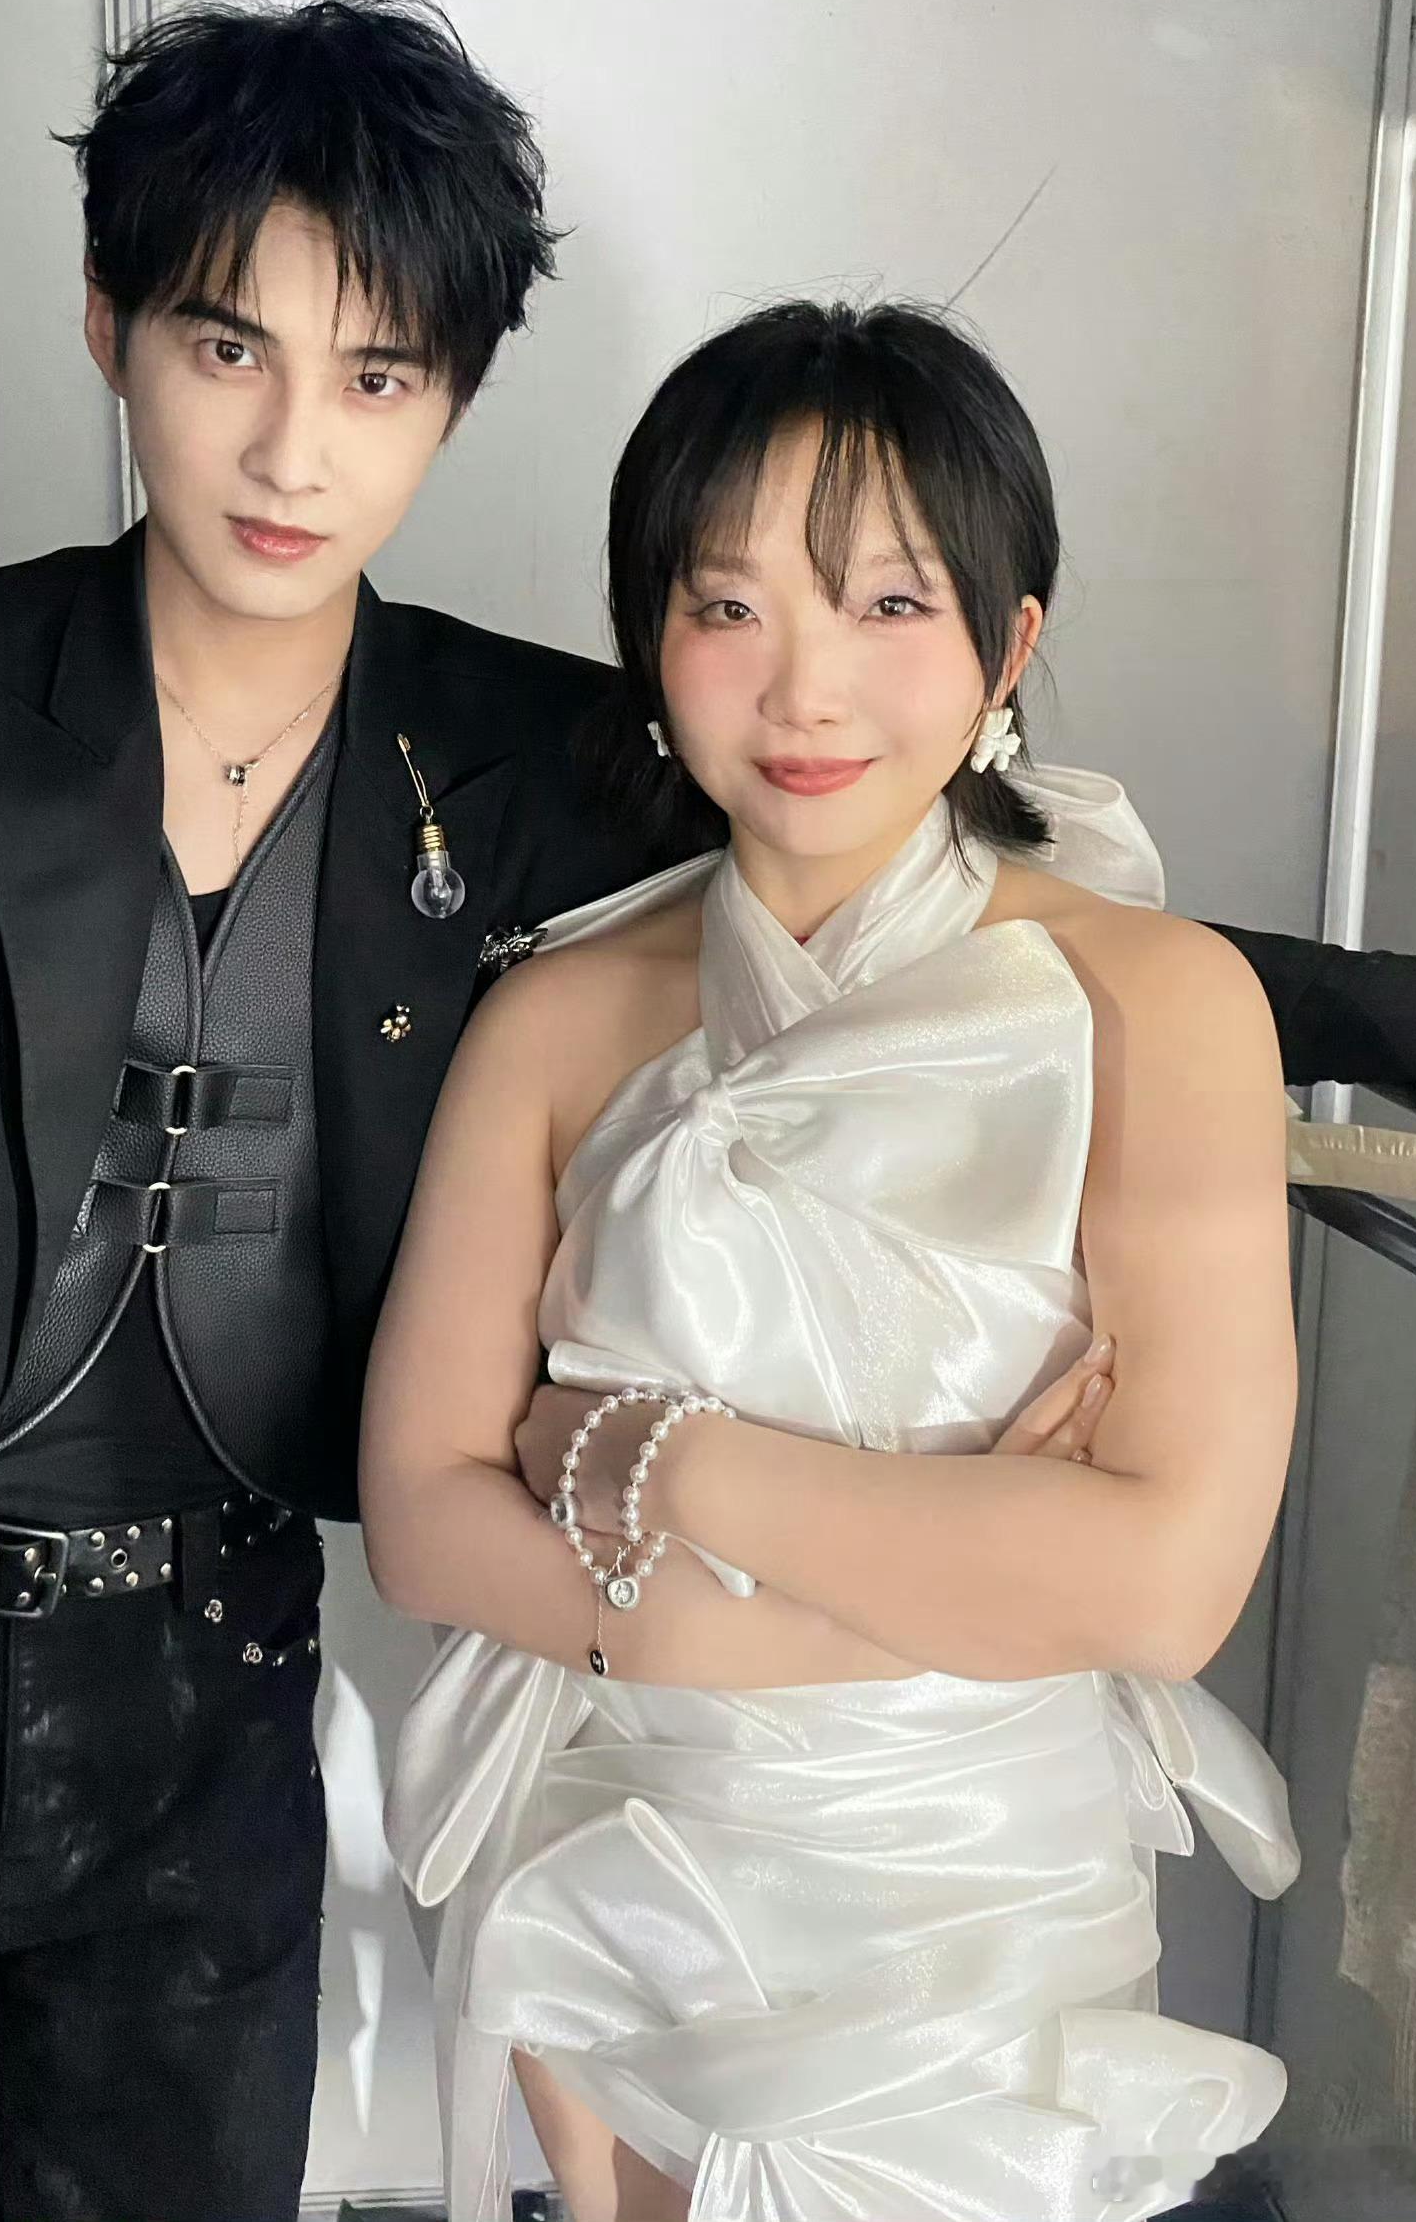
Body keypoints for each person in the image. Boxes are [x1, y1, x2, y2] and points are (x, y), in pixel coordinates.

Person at [0, 0, 1416, 2222]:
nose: (293, 452)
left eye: (378, 376)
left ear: (450, 395)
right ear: (108, 325)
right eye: (227, 346)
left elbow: (955, 885)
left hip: (210, 1684)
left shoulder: (535, 753)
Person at [367, 297, 1310, 2222]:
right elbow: (421, 1517)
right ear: (651, 639)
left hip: (983, 1936)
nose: (805, 690)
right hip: (635, 1902)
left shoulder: (1157, 1004)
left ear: (1009, 645)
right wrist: (936, 1583)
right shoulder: (555, 1016)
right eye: (730, 607)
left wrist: (651, 1460)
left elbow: (1167, 1582)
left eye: (889, 605)